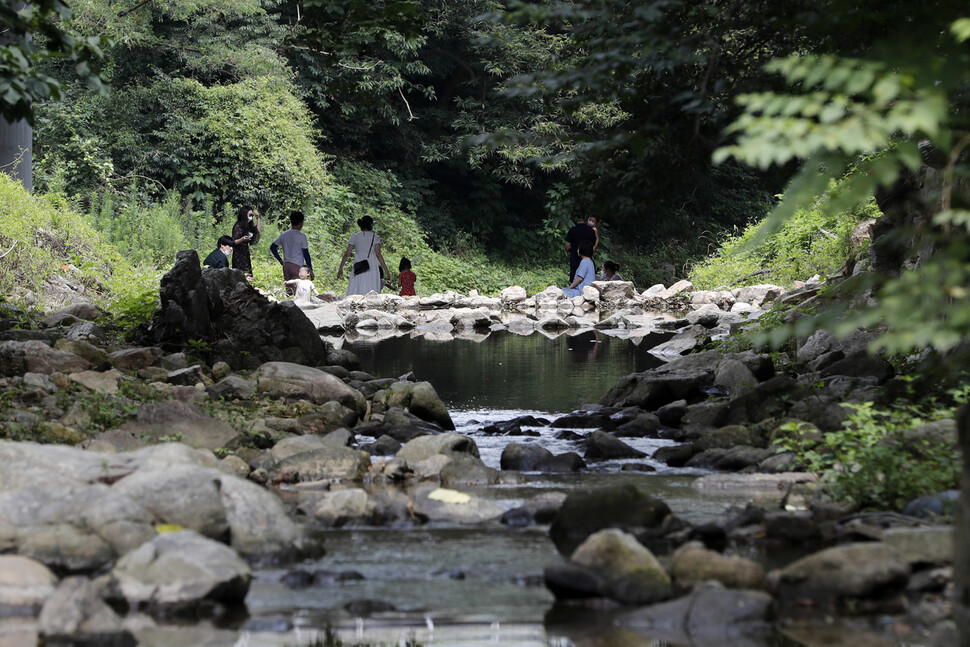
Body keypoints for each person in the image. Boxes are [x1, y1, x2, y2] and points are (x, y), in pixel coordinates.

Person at [336, 215, 391, 296]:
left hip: (359, 267)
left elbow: (346, 254)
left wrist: (341, 268)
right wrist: (386, 270)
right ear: (371, 225)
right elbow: (378, 254)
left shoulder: (355, 236)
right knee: (371, 288)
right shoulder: (375, 237)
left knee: (357, 287)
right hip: (372, 267)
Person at [271, 211, 314, 296]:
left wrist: (280, 260)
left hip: (286, 265)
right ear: (301, 223)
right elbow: (306, 254)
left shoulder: (284, 235)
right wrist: (310, 269)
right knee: (299, 292)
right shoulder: (302, 236)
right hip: (297, 266)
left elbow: (273, 247)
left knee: (289, 291)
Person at [231, 206, 261, 281]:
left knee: (248, 272)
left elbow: (257, 231)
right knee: (240, 274)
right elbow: (234, 241)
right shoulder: (238, 225)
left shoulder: (248, 225)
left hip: (245, 252)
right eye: (250, 215)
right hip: (238, 253)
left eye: (252, 215)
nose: (251, 217)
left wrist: (258, 218)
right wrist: (242, 239)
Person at [564, 214, 596, 283]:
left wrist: (573, 250)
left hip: (575, 260)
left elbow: (567, 247)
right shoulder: (591, 231)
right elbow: (593, 246)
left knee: (574, 281)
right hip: (588, 260)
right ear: (585, 217)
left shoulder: (573, 230)